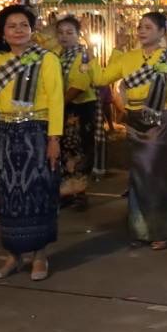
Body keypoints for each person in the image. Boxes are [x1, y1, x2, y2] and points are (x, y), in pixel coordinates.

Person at [0, 6, 65, 281]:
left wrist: (54, 139)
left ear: (32, 30)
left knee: (38, 194)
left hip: (37, 133)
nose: (18, 30)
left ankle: (40, 256)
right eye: (12, 26)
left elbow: (57, 100)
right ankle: (13, 256)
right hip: (7, 133)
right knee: (9, 196)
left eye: (24, 25)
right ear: (2, 32)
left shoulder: (47, 60)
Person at [90, 12, 167, 250]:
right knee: (139, 177)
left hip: (160, 121)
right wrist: (90, 57)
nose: (142, 31)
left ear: (162, 32)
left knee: (157, 176)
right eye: (140, 26)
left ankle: (162, 230)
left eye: (149, 27)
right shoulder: (127, 58)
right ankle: (141, 229)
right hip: (134, 121)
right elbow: (101, 78)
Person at [54, 16, 97, 210]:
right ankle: (66, 192)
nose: (64, 36)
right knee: (64, 149)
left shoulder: (82, 55)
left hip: (79, 108)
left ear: (78, 35)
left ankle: (80, 193)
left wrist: (59, 104)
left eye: (69, 32)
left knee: (79, 149)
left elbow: (79, 84)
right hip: (63, 108)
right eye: (61, 32)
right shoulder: (58, 55)